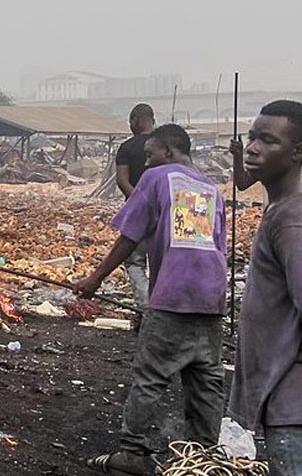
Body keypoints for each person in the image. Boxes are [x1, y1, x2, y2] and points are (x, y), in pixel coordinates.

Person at [75, 124, 228, 475]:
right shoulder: (211, 188)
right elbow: (217, 247)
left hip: (173, 296)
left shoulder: (157, 178)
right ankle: (203, 456)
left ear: (170, 151)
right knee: (206, 379)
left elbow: (130, 236)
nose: (146, 161)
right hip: (211, 298)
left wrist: (95, 279)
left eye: (150, 153)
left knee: (150, 376)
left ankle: (134, 453)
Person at [227, 100, 302, 476]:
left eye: (267, 140)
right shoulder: (284, 209)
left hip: (299, 399)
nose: (252, 147)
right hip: (295, 398)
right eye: (252, 137)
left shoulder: (294, 222)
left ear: (297, 151)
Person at [115, 103, 155, 308]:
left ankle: (145, 309)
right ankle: (160, 309)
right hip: (166, 214)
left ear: (136, 119)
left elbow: (122, 181)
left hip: (136, 215)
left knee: (135, 263)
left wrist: (141, 204)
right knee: (162, 263)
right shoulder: (168, 146)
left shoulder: (127, 147)